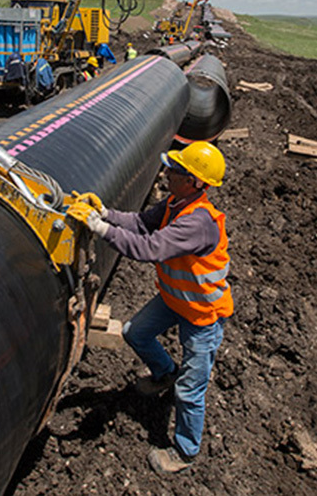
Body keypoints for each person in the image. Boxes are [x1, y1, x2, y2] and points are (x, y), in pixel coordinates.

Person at [66, 141, 230, 475]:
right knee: (134, 333)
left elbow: (148, 248)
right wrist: (105, 215)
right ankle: (164, 372)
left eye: (175, 170)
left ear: (196, 182)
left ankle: (185, 452)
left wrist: (101, 230)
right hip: (175, 301)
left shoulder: (197, 222)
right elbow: (141, 223)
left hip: (202, 315)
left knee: (190, 391)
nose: (167, 172)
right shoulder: (174, 203)